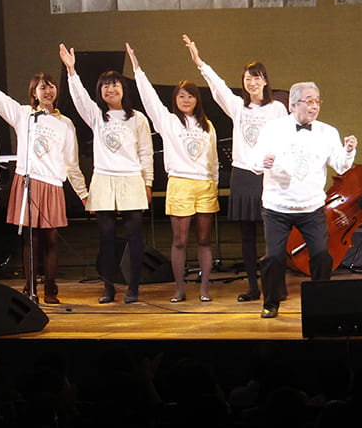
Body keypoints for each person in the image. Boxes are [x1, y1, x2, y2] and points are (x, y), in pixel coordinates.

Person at [0, 57, 88, 304]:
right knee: (30, 238)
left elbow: (71, 162)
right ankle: (30, 288)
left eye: (51, 86)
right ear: (34, 94)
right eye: (42, 87)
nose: (48, 91)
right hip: (27, 181)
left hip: (52, 184)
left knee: (50, 239)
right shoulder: (24, 114)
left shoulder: (65, 124)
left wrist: (83, 193)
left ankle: (50, 288)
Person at [184, 35, 287, 303]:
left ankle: (277, 285)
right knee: (247, 235)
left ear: (265, 80)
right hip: (243, 175)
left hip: (269, 178)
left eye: (256, 77)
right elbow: (217, 87)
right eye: (247, 78)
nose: (251, 82)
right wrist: (200, 63)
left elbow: (288, 141)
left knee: (273, 234)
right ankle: (253, 287)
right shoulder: (238, 107)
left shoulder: (277, 109)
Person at [250, 82, 357, 318]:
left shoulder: (327, 132)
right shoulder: (273, 129)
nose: (314, 106)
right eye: (309, 100)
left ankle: (321, 302)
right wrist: (262, 163)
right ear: (292, 105)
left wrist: (348, 150)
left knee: (321, 255)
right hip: (277, 206)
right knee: (274, 257)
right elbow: (255, 160)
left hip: (311, 207)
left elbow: (340, 165)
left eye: (317, 101)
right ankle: (270, 303)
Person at [60, 44, 154, 303]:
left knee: (135, 236)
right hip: (103, 179)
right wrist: (71, 70)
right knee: (106, 238)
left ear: (123, 89)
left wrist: (148, 183)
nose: (110, 89)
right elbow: (79, 98)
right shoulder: (96, 116)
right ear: (100, 92)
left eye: (115, 85)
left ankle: (134, 286)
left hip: (132, 178)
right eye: (105, 86)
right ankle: (109, 286)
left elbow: (146, 153)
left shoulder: (137, 119)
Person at [127, 43, 219, 302]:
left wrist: (215, 183)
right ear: (175, 100)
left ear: (196, 99)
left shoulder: (207, 125)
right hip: (179, 183)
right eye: (181, 96)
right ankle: (179, 288)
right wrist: (137, 70)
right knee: (180, 240)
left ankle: (204, 289)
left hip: (205, 186)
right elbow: (149, 99)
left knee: (203, 239)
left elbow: (213, 160)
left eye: (190, 96)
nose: (186, 100)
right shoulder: (167, 121)